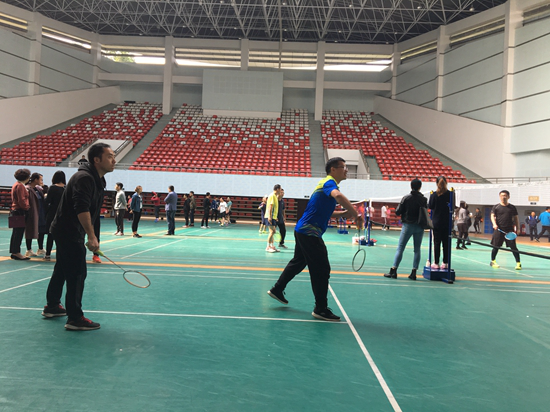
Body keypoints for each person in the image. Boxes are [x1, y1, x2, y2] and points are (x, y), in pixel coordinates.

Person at [267, 157, 363, 321]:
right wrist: (355, 214)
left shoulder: (326, 186)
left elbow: (325, 212)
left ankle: (277, 289)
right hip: (309, 233)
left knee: (298, 262)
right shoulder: (328, 183)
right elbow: (339, 196)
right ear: (333, 169)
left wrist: (344, 214)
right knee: (321, 269)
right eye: (343, 167)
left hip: (302, 230)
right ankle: (320, 308)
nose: (346, 170)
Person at [42, 142, 115, 330]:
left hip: (67, 230)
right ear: (96, 159)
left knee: (62, 268)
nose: (114, 160)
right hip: (68, 231)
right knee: (77, 272)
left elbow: (92, 210)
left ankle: (52, 306)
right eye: (109, 156)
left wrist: (92, 234)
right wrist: (91, 236)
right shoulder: (84, 178)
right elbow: (81, 208)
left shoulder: (97, 180)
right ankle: (75, 318)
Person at [384, 179, 427, 280]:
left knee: (400, 248)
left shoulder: (406, 198)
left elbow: (398, 212)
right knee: (417, 249)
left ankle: (394, 270)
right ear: (420, 187)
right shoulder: (424, 199)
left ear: (411, 186)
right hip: (419, 226)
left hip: (408, 225)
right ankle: (414, 272)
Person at [490, 190, 521, 270]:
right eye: (501, 195)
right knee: (496, 247)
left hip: (509, 231)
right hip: (499, 230)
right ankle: (493, 261)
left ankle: (518, 263)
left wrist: (518, 228)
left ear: (508, 197)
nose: (503, 197)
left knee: (513, 247)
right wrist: (494, 224)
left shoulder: (512, 207)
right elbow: (492, 216)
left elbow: (516, 218)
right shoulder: (496, 207)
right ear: (499, 197)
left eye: (505, 195)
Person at [428, 176, 454, 270]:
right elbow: (452, 207)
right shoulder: (450, 194)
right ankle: (445, 263)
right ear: (446, 183)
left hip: (436, 222)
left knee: (437, 243)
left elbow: (430, 206)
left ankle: (436, 263)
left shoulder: (434, 195)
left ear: (436, 184)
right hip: (447, 222)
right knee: (446, 243)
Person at [44, 171, 66, 261]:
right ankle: (61, 254)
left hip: (53, 213)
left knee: (51, 234)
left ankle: (47, 254)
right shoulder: (66, 188)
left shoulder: (52, 188)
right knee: (62, 236)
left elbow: (48, 201)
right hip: (64, 214)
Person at [9, 168, 31, 260]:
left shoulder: (16, 184)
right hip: (20, 211)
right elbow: (22, 200)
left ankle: (14, 251)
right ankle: (16, 252)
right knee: (18, 232)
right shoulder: (21, 186)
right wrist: (27, 207)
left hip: (15, 211)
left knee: (15, 232)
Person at [25, 173, 47, 257]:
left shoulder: (38, 189)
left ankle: (40, 248)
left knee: (41, 231)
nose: (42, 181)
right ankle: (29, 249)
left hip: (41, 212)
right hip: (32, 213)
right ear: (35, 179)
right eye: (40, 179)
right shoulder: (28, 189)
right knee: (30, 230)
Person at [265, 184, 282, 253]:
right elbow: (270, 206)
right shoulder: (272, 195)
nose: (281, 190)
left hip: (273, 217)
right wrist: (270, 216)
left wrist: (275, 217)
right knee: (271, 232)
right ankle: (268, 247)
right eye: (280, 189)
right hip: (270, 216)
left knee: (273, 231)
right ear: (277, 189)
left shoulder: (275, 196)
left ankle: (272, 246)